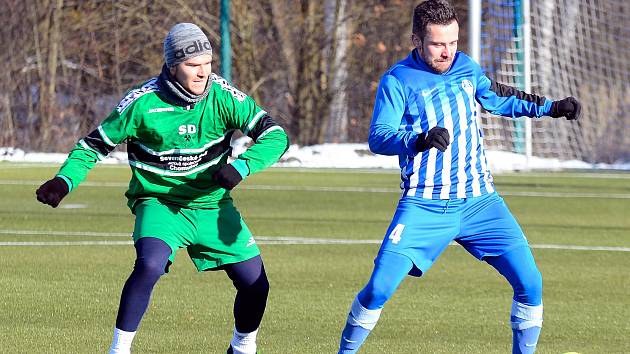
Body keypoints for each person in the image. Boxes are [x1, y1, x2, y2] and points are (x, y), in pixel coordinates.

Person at [337, 1, 581, 353]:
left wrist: (551, 107)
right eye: (438, 44)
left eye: (453, 42)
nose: (447, 52)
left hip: (481, 203)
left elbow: (499, 97)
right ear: (416, 40)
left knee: (531, 283)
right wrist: (418, 140)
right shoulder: (397, 80)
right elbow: (379, 136)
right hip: (425, 204)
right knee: (378, 289)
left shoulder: (465, 67)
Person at [35, 23, 289, 354]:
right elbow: (91, 147)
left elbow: (276, 135)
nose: (202, 73)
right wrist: (64, 180)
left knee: (256, 284)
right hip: (159, 204)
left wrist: (242, 166)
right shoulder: (141, 103)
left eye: (207, 63)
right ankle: (119, 349)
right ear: (172, 65)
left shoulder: (224, 96)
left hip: (212, 206)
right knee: (150, 264)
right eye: (192, 65)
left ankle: (242, 348)